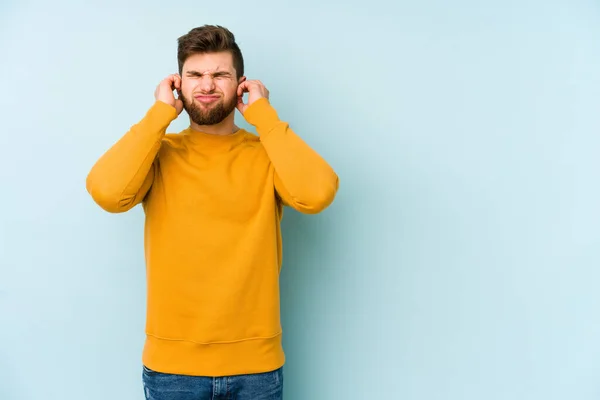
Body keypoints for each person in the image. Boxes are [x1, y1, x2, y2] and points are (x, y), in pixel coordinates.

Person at [85, 24, 339, 400]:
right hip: (173, 370)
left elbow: (317, 194)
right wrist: (159, 114)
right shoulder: (158, 153)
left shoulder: (268, 153)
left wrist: (264, 115)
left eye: (220, 74)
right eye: (195, 75)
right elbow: (107, 192)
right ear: (177, 84)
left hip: (256, 368)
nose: (207, 85)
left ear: (241, 85)